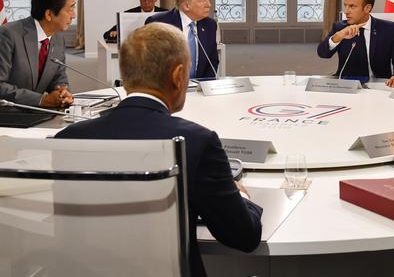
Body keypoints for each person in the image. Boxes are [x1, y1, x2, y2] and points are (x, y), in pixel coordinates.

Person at [55, 22, 262, 277]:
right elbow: (244, 236)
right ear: (177, 76)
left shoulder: (67, 138)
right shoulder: (196, 142)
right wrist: (239, 195)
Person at [0, 0, 76, 108]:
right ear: (49, 14)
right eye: (70, 9)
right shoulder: (8, 34)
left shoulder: (57, 38)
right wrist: (41, 100)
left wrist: (62, 92)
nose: (73, 15)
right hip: (8, 115)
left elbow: (59, 77)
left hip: (41, 114)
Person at [317, 0, 394, 88]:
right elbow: (322, 53)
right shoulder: (340, 28)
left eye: (352, 6)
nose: (347, 11)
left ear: (367, 8)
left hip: (379, 88)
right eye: (346, 5)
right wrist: (338, 36)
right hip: (348, 87)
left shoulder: (388, 29)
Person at [146, 0, 219, 79]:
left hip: (199, 90)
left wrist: (204, 85)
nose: (209, 5)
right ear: (186, 5)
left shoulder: (210, 25)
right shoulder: (159, 23)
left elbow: (212, 60)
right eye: (203, 0)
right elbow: (150, 62)